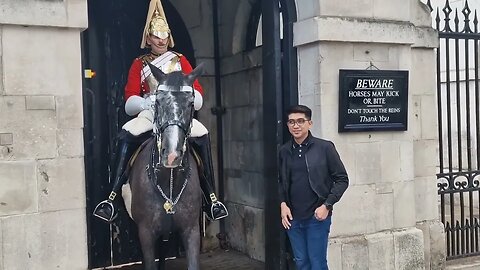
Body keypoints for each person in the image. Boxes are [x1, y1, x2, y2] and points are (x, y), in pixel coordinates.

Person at [93, 0, 228, 223]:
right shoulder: (140, 63)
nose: (161, 39)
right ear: (148, 38)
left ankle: (211, 198)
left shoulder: (180, 60)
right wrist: (147, 103)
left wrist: (189, 98)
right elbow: (129, 99)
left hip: (177, 115)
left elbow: (198, 94)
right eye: (157, 35)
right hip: (151, 113)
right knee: (127, 133)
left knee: (202, 134)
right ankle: (112, 196)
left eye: (164, 34)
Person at [278, 105, 349, 270]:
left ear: (310, 123)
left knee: (317, 264)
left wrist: (327, 205)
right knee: (301, 262)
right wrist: (283, 204)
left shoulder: (325, 148)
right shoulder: (284, 151)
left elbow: (342, 179)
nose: (296, 126)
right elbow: (281, 181)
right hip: (293, 218)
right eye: (291, 122)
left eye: (300, 121)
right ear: (288, 125)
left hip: (317, 217)